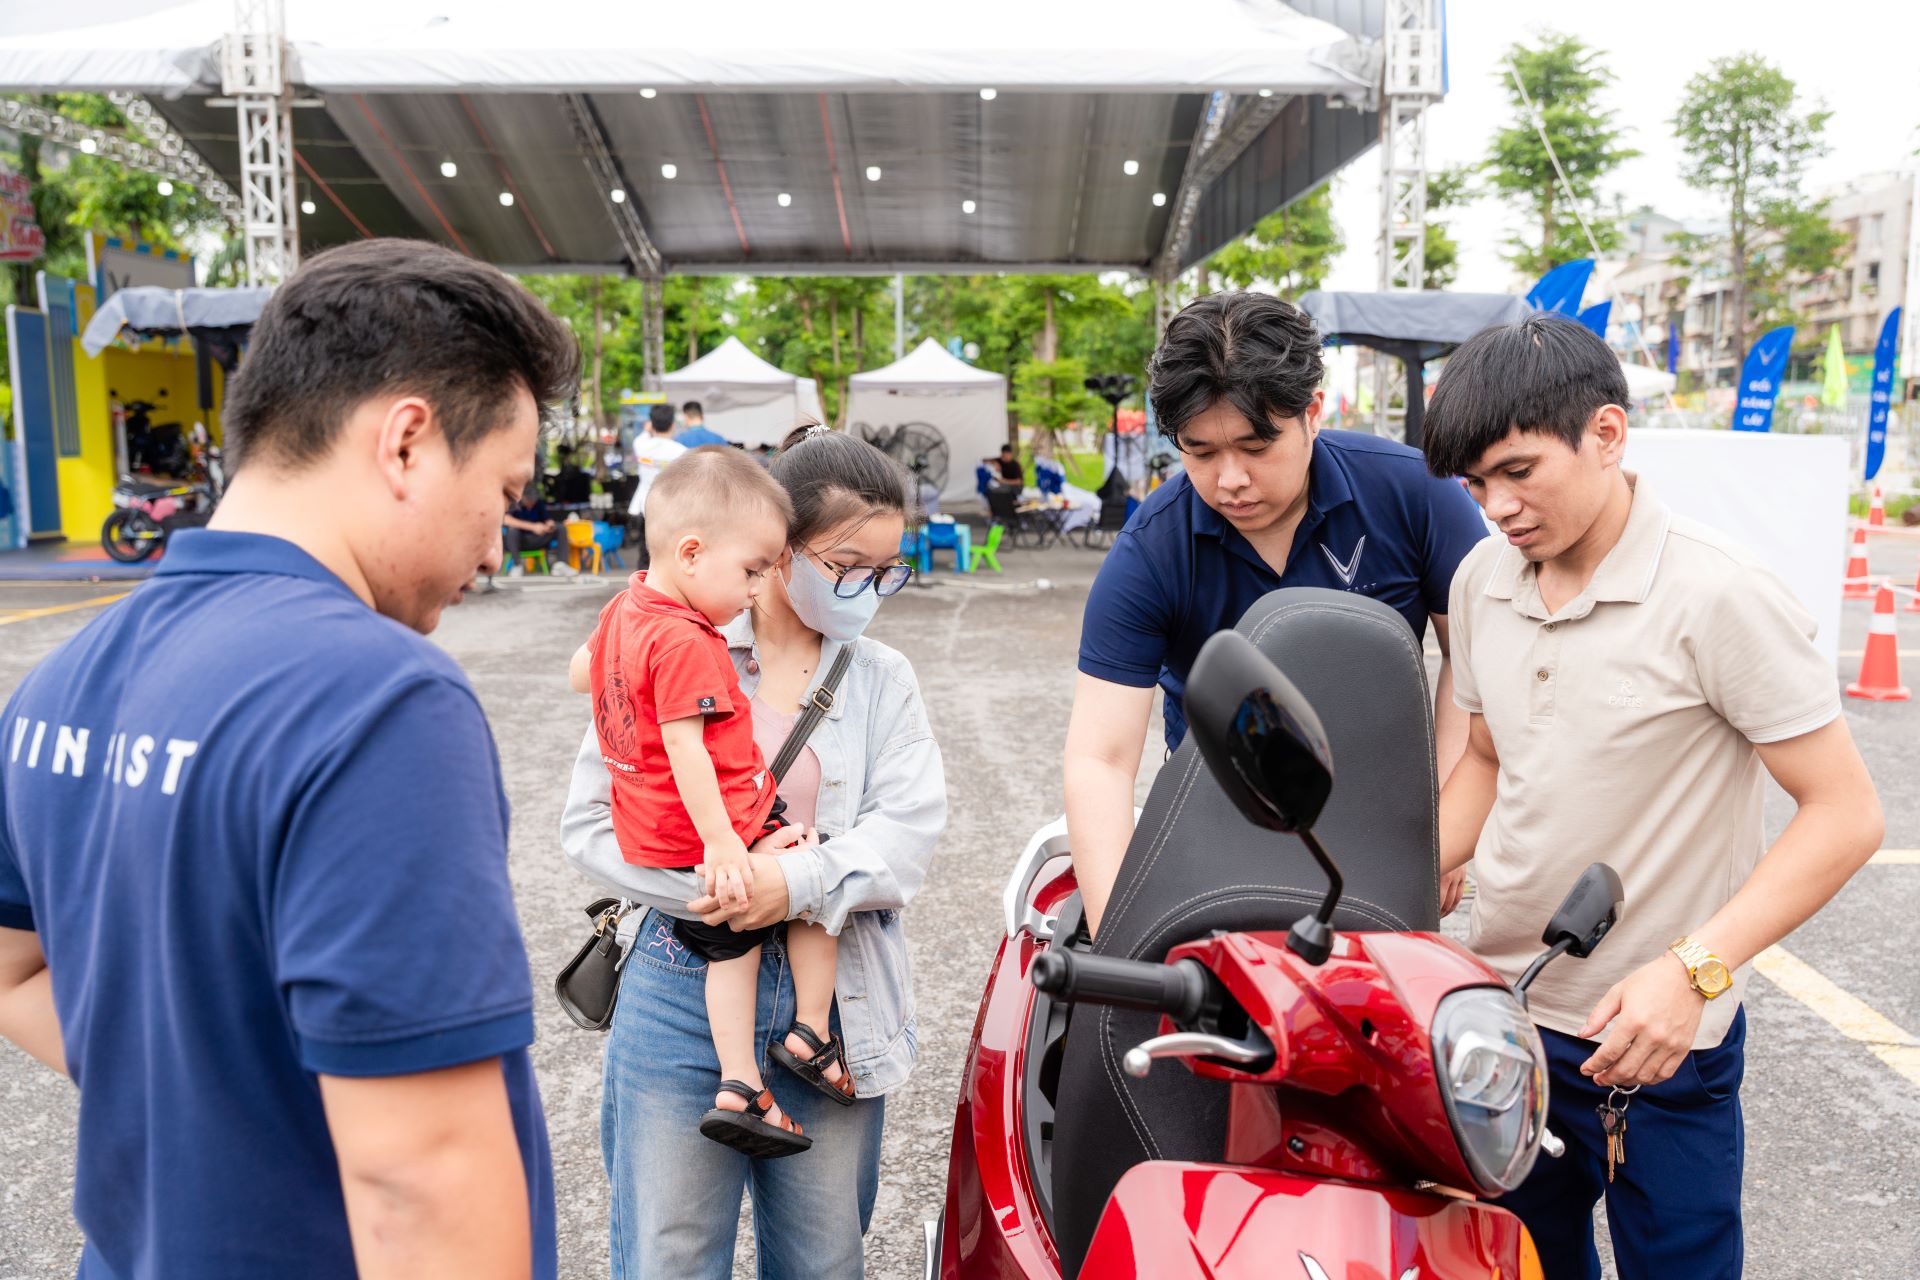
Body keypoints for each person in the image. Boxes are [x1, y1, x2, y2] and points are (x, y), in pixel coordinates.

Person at [0, 238, 579, 1278]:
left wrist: (208, 1101)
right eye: (504, 488)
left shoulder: (62, 681)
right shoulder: (379, 699)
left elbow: (12, 975)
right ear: (407, 440)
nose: (497, 545)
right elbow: (423, 1182)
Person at [1422, 313, 1883, 1280]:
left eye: (1517, 471)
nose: (1496, 507)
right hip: (1504, 1015)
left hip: (1659, 1042)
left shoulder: (1718, 595)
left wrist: (1697, 971)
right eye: (1474, 484)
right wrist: (1413, 872)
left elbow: (1846, 815)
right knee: (1512, 1266)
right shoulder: (1479, 581)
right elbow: (1488, 759)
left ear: (1607, 433)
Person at [561, 426, 943, 1279]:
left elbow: (907, 838)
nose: (867, 590)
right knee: (667, 1256)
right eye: (846, 566)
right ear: (775, 552)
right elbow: (587, 822)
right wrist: (723, 884)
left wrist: (787, 881)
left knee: (821, 1260)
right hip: (676, 981)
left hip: (834, 1006)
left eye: (885, 571)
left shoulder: (880, 677)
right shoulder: (661, 645)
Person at [1063, 290, 1488, 936]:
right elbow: (1101, 756)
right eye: (1199, 452)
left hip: (1389, 813)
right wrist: (1117, 941)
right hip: (1226, 819)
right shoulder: (1153, 547)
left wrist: (1440, 820)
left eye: (1256, 446)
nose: (1229, 478)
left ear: (1311, 412)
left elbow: (1475, 659)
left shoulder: (1415, 494)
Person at [567, 448, 852, 1161]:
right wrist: (729, 844)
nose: (758, 591)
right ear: (692, 553)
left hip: (647, 826)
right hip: (716, 823)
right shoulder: (689, 638)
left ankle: (743, 1083)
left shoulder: (626, 610)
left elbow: (582, 674)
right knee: (809, 872)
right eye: (752, 570)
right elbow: (688, 747)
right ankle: (798, 1041)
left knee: (734, 938)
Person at [629, 402, 689, 567]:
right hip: (672, 507)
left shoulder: (642, 446)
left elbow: (640, 438)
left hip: (645, 505)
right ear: (672, 425)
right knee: (669, 552)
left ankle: (641, 587)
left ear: (651, 424)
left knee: (645, 551)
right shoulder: (681, 452)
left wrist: (648, 429)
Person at [505, 479, 562, 575]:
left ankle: (561, 565)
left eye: (534, 499)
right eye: (529, 499)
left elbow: (546, 519)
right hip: (521, 541)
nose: (532, 502)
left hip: (537, 539)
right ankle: (517, 565)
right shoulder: (515, 504)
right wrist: (533, 527)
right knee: (512, 531)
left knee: (560, 528)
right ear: (523, 497)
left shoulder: (539, 504)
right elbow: (506, 520)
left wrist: (549, 524)